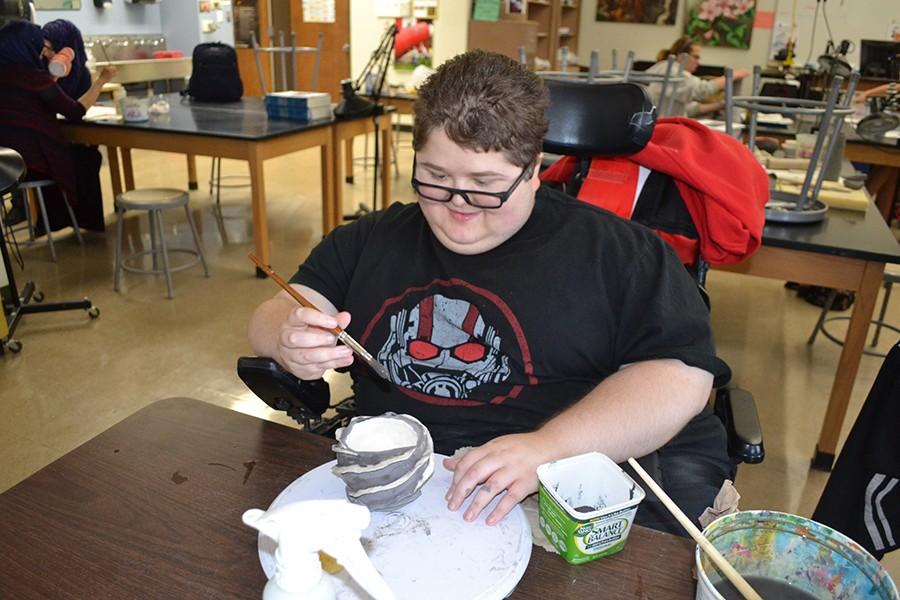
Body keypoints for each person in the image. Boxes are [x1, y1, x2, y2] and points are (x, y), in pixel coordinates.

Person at [248, 50, 732, 535]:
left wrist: (548, 448)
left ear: (534, 169)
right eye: (435, 179)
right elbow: (276, 311)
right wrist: (287, 336)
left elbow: (679, 380)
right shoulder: (370, 240)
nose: (458, 207)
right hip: (400, 487)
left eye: (485, 186)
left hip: (557, 485)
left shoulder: (622, 254)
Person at [0, 20, 114, 231]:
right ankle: (83, 222)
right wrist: (102, 81)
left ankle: (51, 221)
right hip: (34, 164)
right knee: (87, 157)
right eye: (41, 47)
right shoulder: (34, 78)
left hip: (6, 164)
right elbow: (75, 111)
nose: (44, 53)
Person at [40, 19, 106, 233]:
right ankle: (55, 221)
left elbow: (78, 107)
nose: (47, 53)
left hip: (70, 131)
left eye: (51, 47)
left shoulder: (80, 73)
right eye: (44, 47)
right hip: (45, 138)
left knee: (88, 155)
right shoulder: (38, 73)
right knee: (80, 160)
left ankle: (87, 221)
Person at [646, 35, 750, 117]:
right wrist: (734, 75)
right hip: (663, 128)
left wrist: (719, 106)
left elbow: (688, 109)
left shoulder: (666, 68)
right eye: (695, 57)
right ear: (682, 56)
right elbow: (702, 91)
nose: (698, 63)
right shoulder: (672, 71)